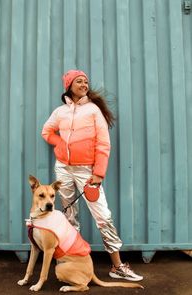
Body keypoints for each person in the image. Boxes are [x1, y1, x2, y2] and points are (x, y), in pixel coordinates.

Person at [41, 69, 143, 281]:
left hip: (87, 171)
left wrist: (98, 172)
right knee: (69, 216)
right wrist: (60, 143)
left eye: (86, 81)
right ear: (69, 85)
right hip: (63, 169)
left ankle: (117, 266)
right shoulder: (60, 112)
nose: (84, 84)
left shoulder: (94, 110)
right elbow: (46, 132)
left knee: (102, 216)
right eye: (79, 81)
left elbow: (104, 143)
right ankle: (70, 262)